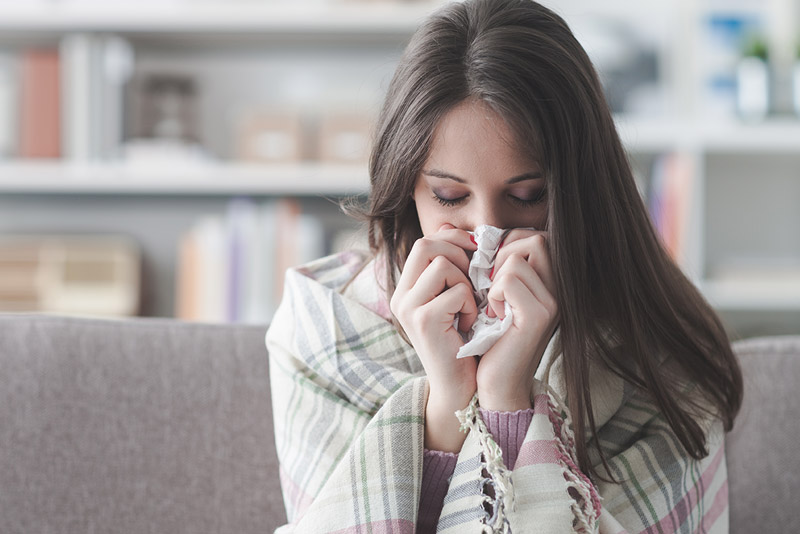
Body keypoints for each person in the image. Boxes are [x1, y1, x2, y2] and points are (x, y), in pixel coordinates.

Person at [266, 0, 743, 532]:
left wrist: (507, 400)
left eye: (527, 195)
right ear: (407, 188)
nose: (486, 232)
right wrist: (447, 401)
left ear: (580, 190)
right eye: (448, 196)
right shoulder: (323, 328)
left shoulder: (658, 350)